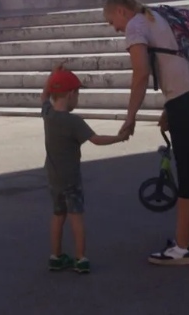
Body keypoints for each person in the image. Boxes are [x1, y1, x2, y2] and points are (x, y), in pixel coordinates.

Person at [104, 0, 189, 266]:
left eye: (112, 21)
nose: (115, 28)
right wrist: (169, 109)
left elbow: (141, 73)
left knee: (188, 173)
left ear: (121, 11)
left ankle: (183, 248)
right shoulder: (158, 15)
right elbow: (177, 64)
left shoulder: (136, 25)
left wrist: (130, 117)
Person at [40, 65, 128, 274]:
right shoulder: (74, 122)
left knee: (58, 215)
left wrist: (52, 76)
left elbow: (44, 96)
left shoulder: (48, 114)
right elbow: (96, 140)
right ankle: (80, 258)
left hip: (53, 178)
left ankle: (56, 256)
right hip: (71, 179)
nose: (78, 98)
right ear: (71, 94)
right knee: (76, 216)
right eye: (78, 94)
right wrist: (119, 138)